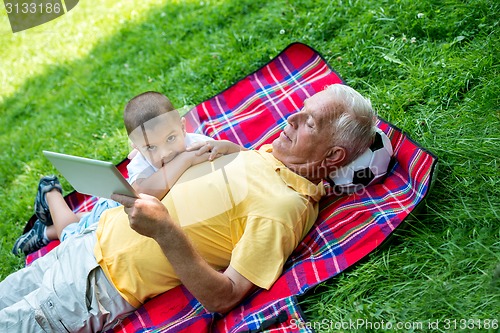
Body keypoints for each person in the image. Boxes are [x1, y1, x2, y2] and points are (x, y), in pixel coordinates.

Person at [0, 84, 376, 332]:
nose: (290, 118)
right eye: (299, 109)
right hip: (86, 243)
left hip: (96, 287)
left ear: (334, 155)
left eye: (307, 121)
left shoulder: (284, 208)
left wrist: (164, 229)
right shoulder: (269, 156)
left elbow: (225, 296)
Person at [12, 91, 243, 255]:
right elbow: (143, 194)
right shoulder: (141, 164)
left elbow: (242, 155)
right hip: (117, 210)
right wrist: (184, 159)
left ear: (183, 127)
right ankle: (50, 192)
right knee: (72, 236)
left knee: (78, 223)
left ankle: (45, 231)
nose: (164, 152)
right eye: (151, 147)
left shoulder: (196, 143)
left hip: (129, 209)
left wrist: (226, 146)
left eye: (171, 138)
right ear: (137, 148)